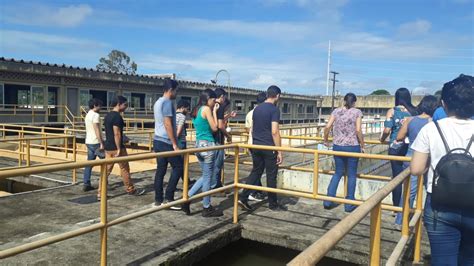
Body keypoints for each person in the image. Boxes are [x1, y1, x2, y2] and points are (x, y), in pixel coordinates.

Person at [410, 74, 474, 265]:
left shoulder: (431, 129)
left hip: (440, 205)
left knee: (442, 260)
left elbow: (416, 169)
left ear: (444, 104)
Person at [238, 85, 286, 211]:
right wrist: (280, 151)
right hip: (269, 147)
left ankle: (243, 197)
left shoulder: (257, 109)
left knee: (256, 171)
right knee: (271, 175)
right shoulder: (274, 110)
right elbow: (275, 131)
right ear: (278, 96)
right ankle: (273, 204)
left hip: (256, 145)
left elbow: (253, 129)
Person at [394, 95, 438, 225]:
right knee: (430, 189)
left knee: (409, 191)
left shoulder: (410, 120)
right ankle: (428, 218)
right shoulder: (433, 122)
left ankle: (400, 220)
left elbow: (399, 136)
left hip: (411, 158)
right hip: (429, 160)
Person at [182, 89, 223, 217]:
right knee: (208, 179)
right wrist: (215, 112)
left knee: (205, 176)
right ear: (209, 99)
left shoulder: (196, 110)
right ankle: (206, 207)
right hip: (208, 145)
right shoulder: (206, 109)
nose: (214, 102)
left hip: (199, 145)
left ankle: (186, 199)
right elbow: (215, 128)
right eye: (213, 100)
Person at [322, 93, 364, 212]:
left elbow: (327, 127)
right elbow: (358, 130)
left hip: (338, 146)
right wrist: (362, 144)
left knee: (338, 173)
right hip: (352, 147)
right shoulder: (357, 112)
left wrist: (325, 140)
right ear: (354, 102)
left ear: (344, 101)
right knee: (351, 175)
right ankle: (349, 204)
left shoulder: (336, 111)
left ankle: (328, 200)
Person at [98, 96, 145, 201]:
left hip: (108, 147)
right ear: (119, 104)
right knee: (124, 169)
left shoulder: (107, 116)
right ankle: (130, 189)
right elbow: (117, 133)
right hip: (117, 148)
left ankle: (100, 193)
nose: (126, 107)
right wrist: (119, 148)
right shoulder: (117, 117)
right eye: (125, 105)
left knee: (105, 171)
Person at [380, 88, 417, 207]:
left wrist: (382, 139)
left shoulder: (392, 111)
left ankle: (396, 207)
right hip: (410, 148)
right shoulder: (414, 111)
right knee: (410, 179)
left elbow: (387, 130)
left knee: (396, 178)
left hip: (395, 147)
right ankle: (407, 206)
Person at [153, 79, 183, 209]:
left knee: (161, 170)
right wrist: (175, 144)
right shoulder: (168, 103)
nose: (177, 93)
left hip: (157, 140)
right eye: (176, 90)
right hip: (166, 141)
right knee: (178, 167)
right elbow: (168, 124)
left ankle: (158, 199)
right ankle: (168, 198)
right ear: (171, 90)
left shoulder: (158, 102)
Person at [212, 88, 236, 190]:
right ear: (222, 96)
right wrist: (228, 136)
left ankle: (214, 185)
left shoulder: (211, 106)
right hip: (217, 139)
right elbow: (220, 126)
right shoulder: (220, 106)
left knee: (211, 166)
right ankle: (215, 186)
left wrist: (228, 116)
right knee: (217, 166)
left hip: (209, 139)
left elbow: (217, 122)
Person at [245, 92, 267, 202]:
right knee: (258, 169)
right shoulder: (264, 112)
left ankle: (256, 191)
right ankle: (252, 192)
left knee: (257, 168)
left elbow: (248, 129)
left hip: (251, 143)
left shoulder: (250, 113)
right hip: (260, 144)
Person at [83, 98, 105, 192]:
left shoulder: (88, 114)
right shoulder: (96, 115)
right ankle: (103, 183)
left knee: (89, 164)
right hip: (96, 142)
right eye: (99, 106)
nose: (101, 108)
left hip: (88, 141)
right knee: (106, 162)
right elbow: (96, 129)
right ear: (95, 105)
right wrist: (101, 143)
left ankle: (86, 183)